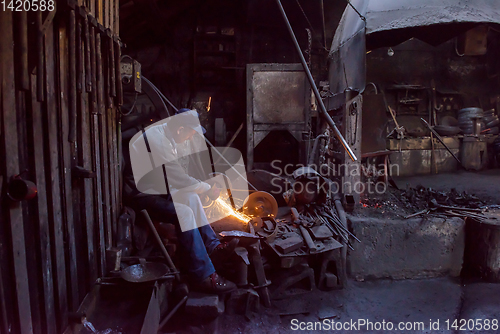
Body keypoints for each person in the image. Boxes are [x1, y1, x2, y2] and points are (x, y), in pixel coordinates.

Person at [123, 109, 237, 294]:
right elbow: (177, 178)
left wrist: (199, 188)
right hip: (142, 195)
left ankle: (213, 248)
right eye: (191, 133)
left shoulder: (168, 136)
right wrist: (207, 188)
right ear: (180, 129)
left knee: (191, 197)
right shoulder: (157, 140)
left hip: (159, 189)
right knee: (184, 213)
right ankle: (202, 275)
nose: (191, 138)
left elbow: (175, 178)